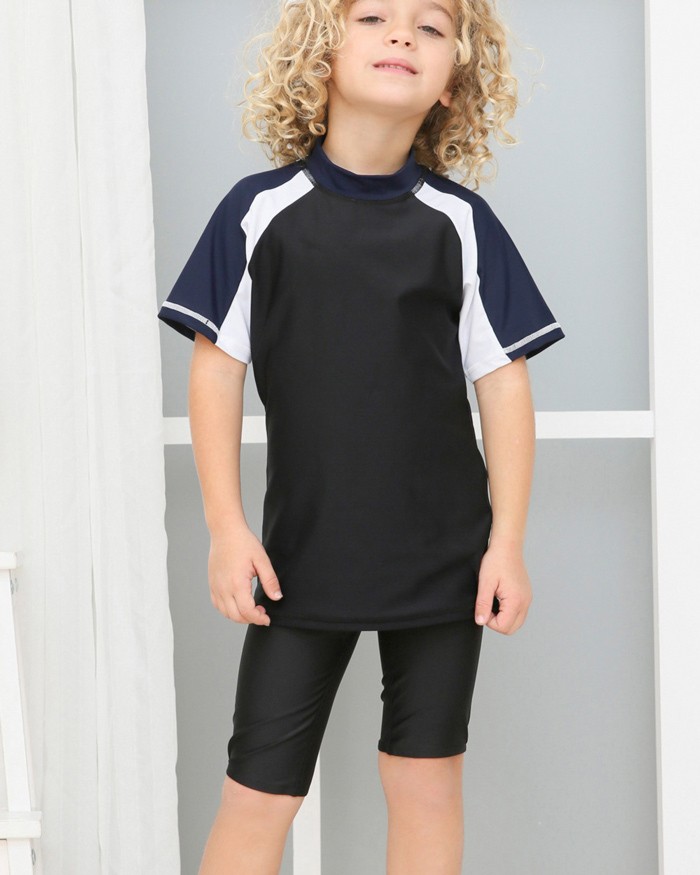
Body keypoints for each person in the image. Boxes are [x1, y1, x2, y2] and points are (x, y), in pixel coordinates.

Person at [158, 0, 565, 871]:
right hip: (298, 559)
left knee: (425, 782)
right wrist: (227, 529)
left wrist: (507, 544)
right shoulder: (258, 212)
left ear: (453, 81)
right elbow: (215, 372)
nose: (402, 35)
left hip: (445, 564)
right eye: (374, 15)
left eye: (431, 26)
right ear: (321, 53)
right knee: (258, 792)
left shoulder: (462, 223)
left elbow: (505, 386)